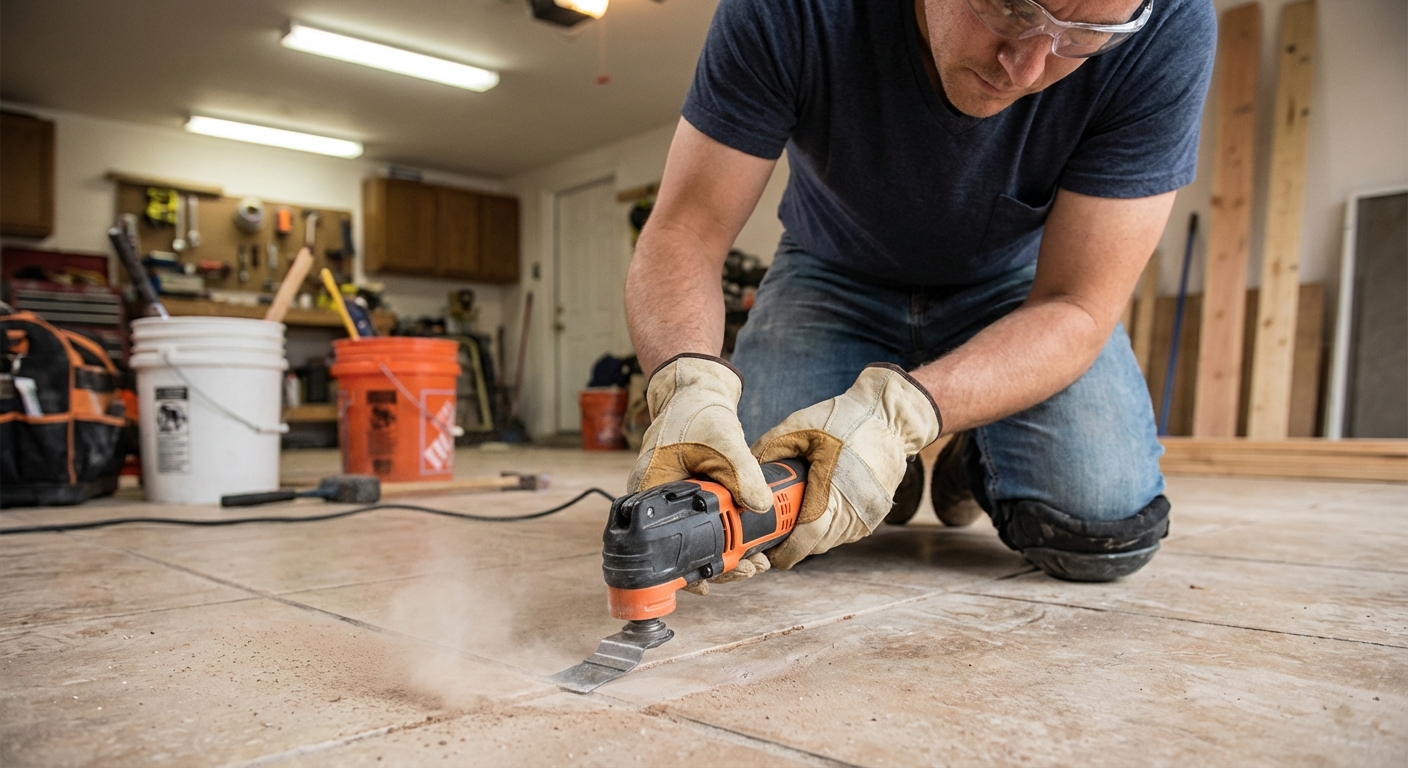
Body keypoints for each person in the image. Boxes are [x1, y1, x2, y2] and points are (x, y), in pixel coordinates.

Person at [623, 0, 1216, 584]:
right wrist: (687, 387)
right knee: (761, 496)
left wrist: (899, 416)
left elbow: (1078, 305)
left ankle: (967, 456)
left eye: (1085, 34)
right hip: (832, 273)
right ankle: (896, 475)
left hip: (1020, 291)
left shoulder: (1170, 24)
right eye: (1011, 7)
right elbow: (686, 230)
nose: (1026, 67)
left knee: (1097, 525)